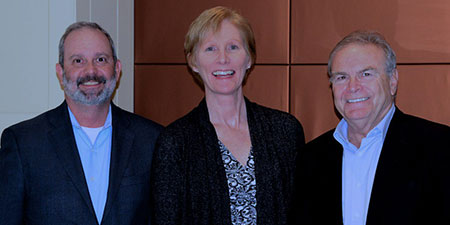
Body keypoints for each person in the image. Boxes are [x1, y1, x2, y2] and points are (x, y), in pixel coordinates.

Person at [151, 6, 305, 225]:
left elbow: (303, 213)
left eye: (233, 47)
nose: (223, 59)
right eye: (210, 49)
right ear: (193, 62)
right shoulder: (175, 142)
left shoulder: (285, 131)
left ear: (250, 58)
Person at [0, 21, 162, 225]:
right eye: (78, 61)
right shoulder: (23, 144)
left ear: (117, 68)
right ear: (60, 72)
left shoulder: (152, 140)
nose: (90, 71)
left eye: (101, 59)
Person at [289, 30, 450, 225]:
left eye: (366, 74)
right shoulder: (311, 157)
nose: (353, 87)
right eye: (341, 77)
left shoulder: (440, 146)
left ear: (392, 81)